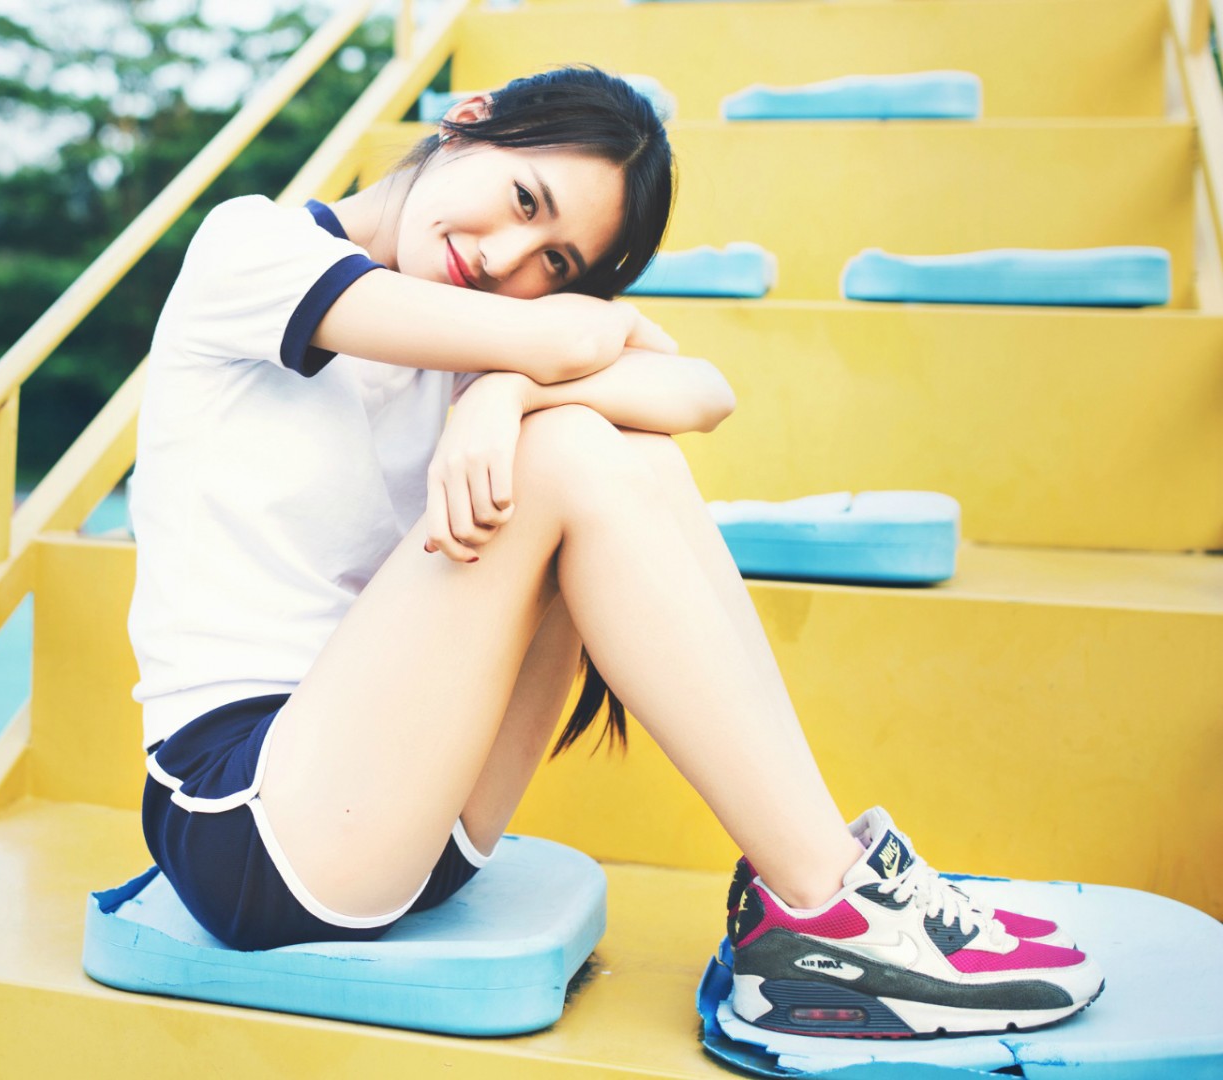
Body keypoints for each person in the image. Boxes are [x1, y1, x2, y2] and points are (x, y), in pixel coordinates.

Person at [124, 64, 1102, 1038]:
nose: (506, 256)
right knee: (569, 444)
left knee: (595, 437)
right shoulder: (251, 251)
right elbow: (575, 350)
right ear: (469, 120)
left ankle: (824, 888)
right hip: (248, 825)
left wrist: (506, 397)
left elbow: (699, 393)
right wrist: (554, 358)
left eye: (554, 263)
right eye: (523, 201)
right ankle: (829, 905)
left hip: (422, 820)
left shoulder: (477, 350)